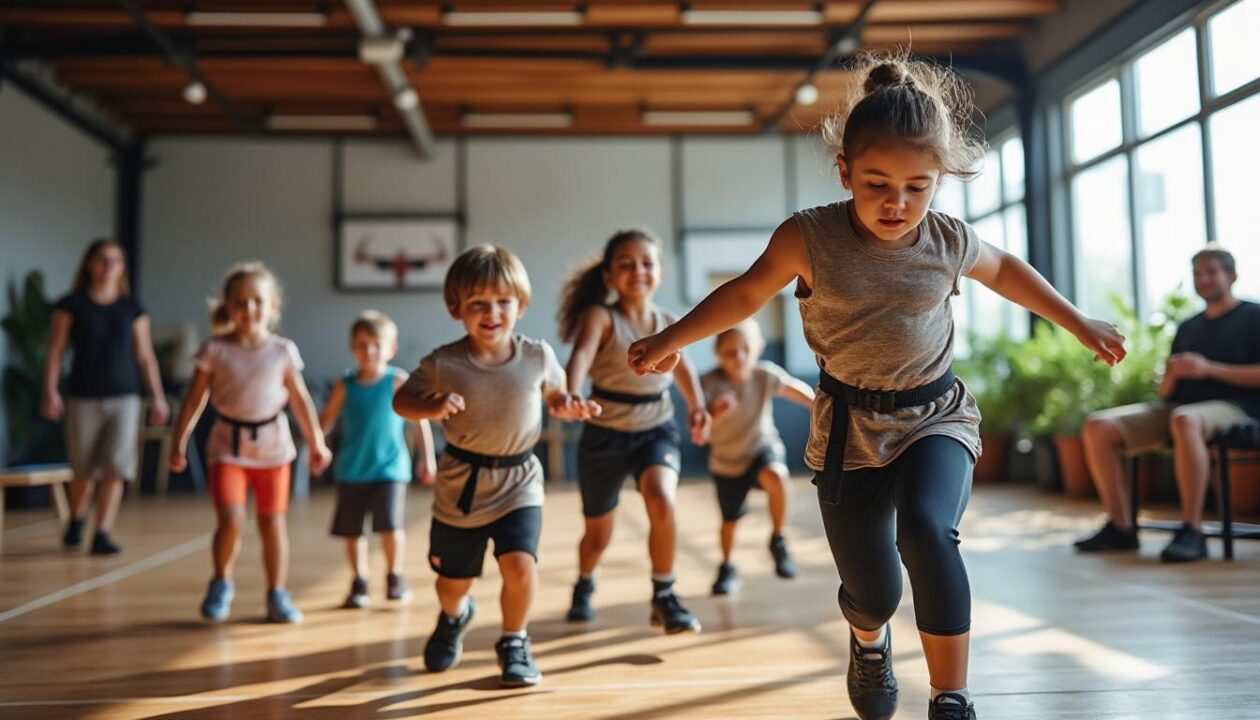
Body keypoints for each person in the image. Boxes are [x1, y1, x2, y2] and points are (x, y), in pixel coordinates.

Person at [626, 55, 1126, 720]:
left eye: (917, 187)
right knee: (873, 592)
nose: (897, 203)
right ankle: (869, 642)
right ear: (844, 173)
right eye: (877, 183)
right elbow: (745, 293)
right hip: (849, 430)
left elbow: (1006, 270)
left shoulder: (947, 239)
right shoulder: (809, 237)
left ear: (939, 180)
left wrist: (1077, 320)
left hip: (935, 417)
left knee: (927, 531)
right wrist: (670, 339)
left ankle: (952, 698)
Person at [394, 245, 598, 687]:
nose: (492, 313)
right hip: (461, 486)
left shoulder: (538, 356)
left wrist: (569, 406)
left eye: (503, 302)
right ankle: (454, 617)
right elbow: (401, 400)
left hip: (520, 480)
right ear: (456, 310)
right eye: (477, 304)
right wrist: (428, 407)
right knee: (452, 583)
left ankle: (514, 641)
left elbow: (556, 397)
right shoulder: (442, 363)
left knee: (520, 565)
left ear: (520, 306)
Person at [557, 228, 711, 634]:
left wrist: (697, 408)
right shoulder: (601, 317)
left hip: (654, 431)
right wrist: (571, 393)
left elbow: (687, 369)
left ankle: (665, 594)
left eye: (646, 262)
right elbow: (581, 356)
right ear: (608, 276)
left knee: (662, 500)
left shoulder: (669, 321)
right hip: (603, 435)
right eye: (625, 264)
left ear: (659, 271)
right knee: (598, 536)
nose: (637, 270)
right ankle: (585, 582)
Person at [169, 262, 331, 623]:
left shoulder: (283, 351)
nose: (249, 309)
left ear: (272, 306)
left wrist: (316, 442)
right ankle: (221, 581)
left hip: (273, 448)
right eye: (240, 302)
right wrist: (178, 442)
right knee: (232, 519)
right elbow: (194, 400)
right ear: (226, 306)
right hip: (226, 447)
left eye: (257, 301)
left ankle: (277, 593)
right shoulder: (214, 350)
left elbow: (301, 401)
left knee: (273, 523)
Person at [1075, 245, 1260, 562]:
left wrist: (1208, 368)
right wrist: (1171, 377)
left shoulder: (1253, 317)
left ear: (1231, 276)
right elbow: (1165, 395)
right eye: (1198, 274)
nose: (1203, 280)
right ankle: (1121, 527)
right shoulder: (1189, 326)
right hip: (1178, 407)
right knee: (1098, 426)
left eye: (1211, 272)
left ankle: (1193, 529)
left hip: (1236, 406)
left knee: (1185, 420)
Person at [42, 239, 169, 556]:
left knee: (117, 466)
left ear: (123, 267)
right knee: (84, 468)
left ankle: (102, 531)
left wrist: (158, 396)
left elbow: (145, 355)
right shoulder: (71, 305)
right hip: (82, 395)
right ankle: (76, 518)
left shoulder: (131, 308)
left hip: (124, 397)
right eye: (102, 259)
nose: (109, 266)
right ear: (90, 264)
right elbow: (56, 351)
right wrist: (50, 390)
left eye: (116, 260)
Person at [320, 310, 436, 608]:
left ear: (390, 348)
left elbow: (420, 421)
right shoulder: (345, 385)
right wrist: (316, 446)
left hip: (390, 469)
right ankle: (359, 581)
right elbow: (328, 419)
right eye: (362, 344)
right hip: (352, 470)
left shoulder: (397, 381)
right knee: (353, 531)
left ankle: (394, 576)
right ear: (352, 348)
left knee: (390, 526)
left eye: (376, 343)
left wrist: (428, 459)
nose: (369, 350)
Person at [701, 319, 815, 595]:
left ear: (757, 349)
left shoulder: (764, 375)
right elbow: (700, 430)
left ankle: (778, 539)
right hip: (726, 461)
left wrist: (818, 406)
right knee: (729, 522)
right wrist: (715, 413)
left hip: (760, 448)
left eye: (744, 349)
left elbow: (794, 388)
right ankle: (727, 567)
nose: (738, 357)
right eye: (730, 352)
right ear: (718, 354)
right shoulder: (708, 383)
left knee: (777, 475)